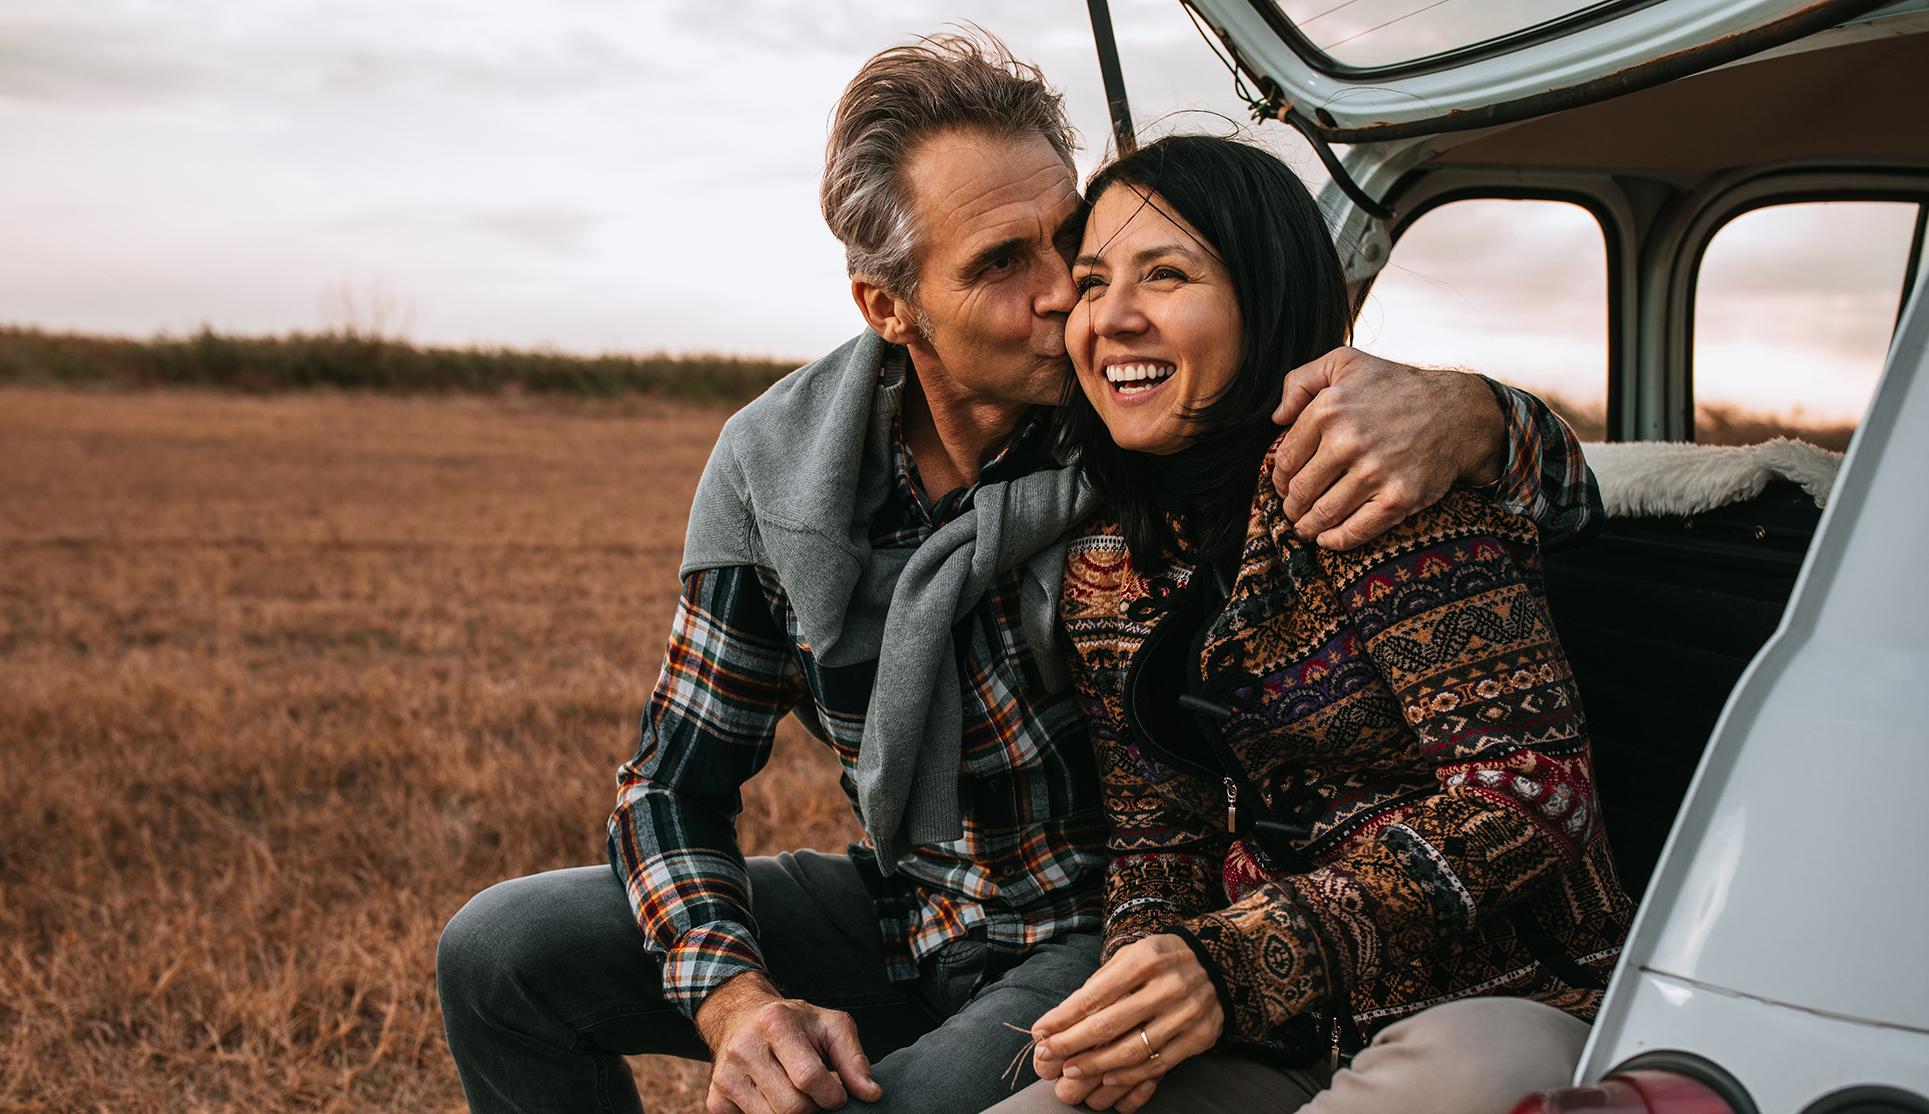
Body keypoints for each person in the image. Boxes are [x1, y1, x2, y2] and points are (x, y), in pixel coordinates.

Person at [434, 35, 1604, 1114]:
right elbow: (672, 784)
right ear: (889, 307)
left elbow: (1505, 514)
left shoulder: (1152, 425)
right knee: (500, 952)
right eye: (1005, 263)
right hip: (917, 902)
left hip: (1088, 927)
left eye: (1070, 243)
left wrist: (1475, 412)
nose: (1068, 296)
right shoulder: (780, 472)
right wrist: (735, 1000)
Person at [984, 135, 1635, 1114]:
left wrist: (1241, 960)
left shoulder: (1382, 486)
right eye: (1091, 282)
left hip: (1499, 1000)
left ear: (1267, 295)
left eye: (1166, 274)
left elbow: (1531, 793)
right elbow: (1158, 833)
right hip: (1279, 1027)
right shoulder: (1107, 563)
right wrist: (1145, 989)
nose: (1111, 317)